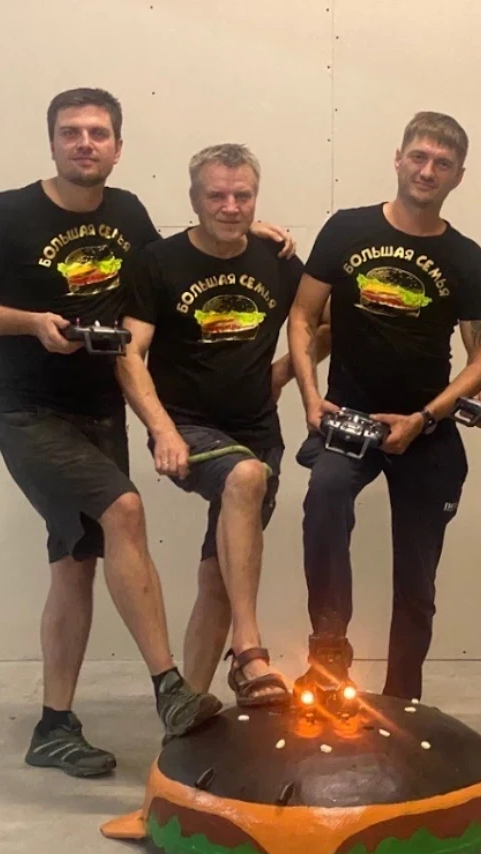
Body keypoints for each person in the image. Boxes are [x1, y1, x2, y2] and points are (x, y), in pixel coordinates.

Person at [0, 88, 294, 777]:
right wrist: (29, 323)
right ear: (52, 142)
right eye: (71, 132)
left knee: (76, 562)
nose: (85, 143)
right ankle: (171, 690)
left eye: (98, 133)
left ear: (118, 147)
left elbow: (180, 262)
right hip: (26, 409)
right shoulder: (10, 212)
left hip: (99, 408)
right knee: (124, 509)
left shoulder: (128, 214)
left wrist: (248, 234)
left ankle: (54, 726)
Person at [287, 111, 481, 702]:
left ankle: (403, 698)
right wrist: (310, 396)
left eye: (442, 164)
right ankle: (329, 656)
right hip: (347, 419)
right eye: (420, 157)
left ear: (458, 177)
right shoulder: (347, 228)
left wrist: (425, 418)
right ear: (399, 159)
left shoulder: (465, 255)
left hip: (425, 431)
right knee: (325, 497)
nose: (428, 171)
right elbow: (302, 315)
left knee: (417, 577)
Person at [117, 143, 330, 705]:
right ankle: (249, 650)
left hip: (258, 430)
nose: (230, 206)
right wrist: (163, 430)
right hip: (187, 427)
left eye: (242, 195)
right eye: (216, 195)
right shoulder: (158, 263)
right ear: (194, 198)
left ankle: (187, 712)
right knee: (245, 475)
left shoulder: (276, 261)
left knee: (218, 581)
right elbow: (128, 354)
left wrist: (282, 373)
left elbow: (322, 324)